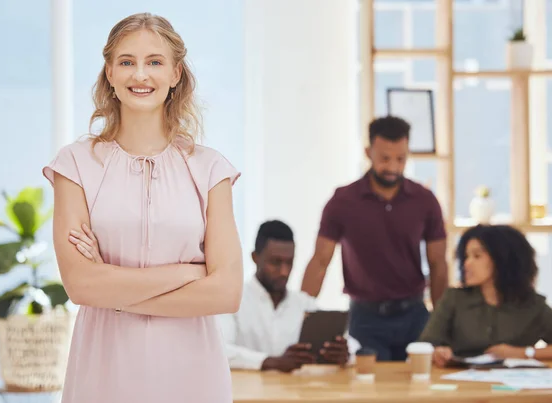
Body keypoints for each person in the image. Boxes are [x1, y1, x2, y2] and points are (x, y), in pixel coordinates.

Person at [43, 13, 242, 403]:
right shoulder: (75, 165)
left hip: (193, 374)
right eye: (127, 61)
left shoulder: (210, 169)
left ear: (175, 74)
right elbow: (81, 285)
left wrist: (113, 288)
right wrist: (191, 272)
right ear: (110, 73)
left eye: (154, 62)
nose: (140, 75)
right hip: (104, 372)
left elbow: (226, 294)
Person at [301, 115, 449, 361]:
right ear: (368, 152)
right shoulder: (342, 202)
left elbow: (438, 264)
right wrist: (302, 314)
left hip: (414, 315)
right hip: (365, 320)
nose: (392, 167)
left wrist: (444, 323)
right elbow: (320, 261)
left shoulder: (425, 201)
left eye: (400, 159)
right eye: (384, 158)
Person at [219, 220, 359, 372]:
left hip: (294, 393)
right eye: (275, 262)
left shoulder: (304, 304)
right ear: (255, 257)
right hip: (249, 393)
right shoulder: (232, 300)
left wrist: (345, 354)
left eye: (289, 262)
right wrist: (271, 361)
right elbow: (221, 351)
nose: (284, 271)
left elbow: (354, 346)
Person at [419, 224, 552, 367]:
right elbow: (425, 345)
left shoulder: (533, 304)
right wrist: (438, 352)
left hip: (515, 384)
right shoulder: (454, 298)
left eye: (477, 256)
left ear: (503, 259)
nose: (467, 264)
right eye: (466, 256)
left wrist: (523, 353)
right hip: (460, 383)